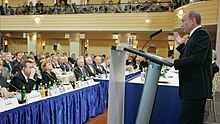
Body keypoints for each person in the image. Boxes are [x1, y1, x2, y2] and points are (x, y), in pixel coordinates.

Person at [166, 10, 212, 124]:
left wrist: (175, 62)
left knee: (185, 121)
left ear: (193, 21)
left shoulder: (201, 34)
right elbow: (190, 55)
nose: (181, 24)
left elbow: (197, 59)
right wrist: (181, 45)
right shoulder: (194, 36)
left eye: (183, 21)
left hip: (195, 89)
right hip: (192, 89)